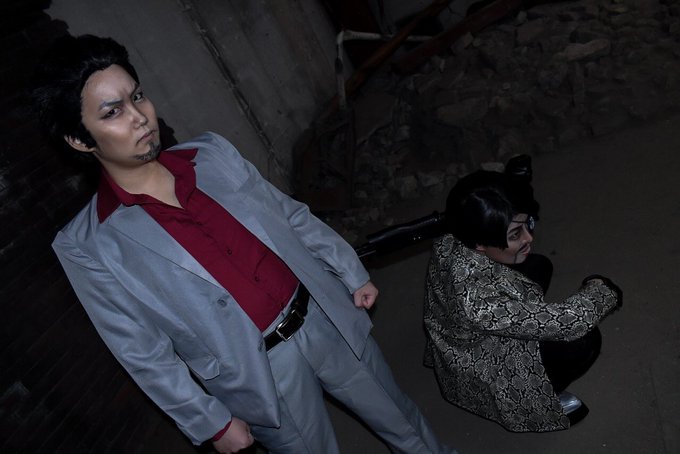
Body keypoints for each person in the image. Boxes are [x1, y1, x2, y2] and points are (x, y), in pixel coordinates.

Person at [32, 34, 454, 454]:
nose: (140, 117)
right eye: (113, 112)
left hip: (319, 315)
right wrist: (210, 422)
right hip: (258, 373)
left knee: (403, 422)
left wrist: (347, 268)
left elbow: (288, 214)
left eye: (137, 96)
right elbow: (139, 349)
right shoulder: (89, 244)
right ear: (80, 140)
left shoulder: (211, 154)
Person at [423, 159, 622, 433]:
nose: (529, 237)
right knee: (583, 341)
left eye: (527, 225)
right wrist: (601, 287)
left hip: (463, 328)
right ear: (480, 244)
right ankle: (542, 396)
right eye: (516, 233)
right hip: (481, 359)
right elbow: (571, 320)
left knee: (539, 265)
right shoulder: (478, 302)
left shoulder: (453, 237)